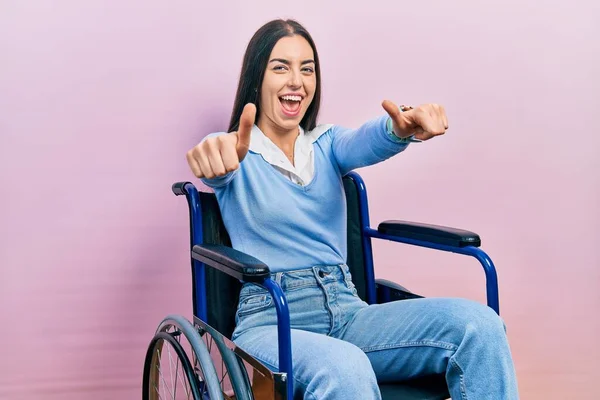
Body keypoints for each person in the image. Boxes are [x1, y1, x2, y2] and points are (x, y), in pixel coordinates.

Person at [186, 18, 518, 400]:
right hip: (271, 318)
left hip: (347, 309)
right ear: (256, 79)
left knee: (480, 326)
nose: (296, 80)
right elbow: (214, 158)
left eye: (306, 69)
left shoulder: (327, 145)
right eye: (281, 67)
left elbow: (368, 139)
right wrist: (212, 155)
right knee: (346, 366)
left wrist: (401, 128)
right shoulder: (235, 151)